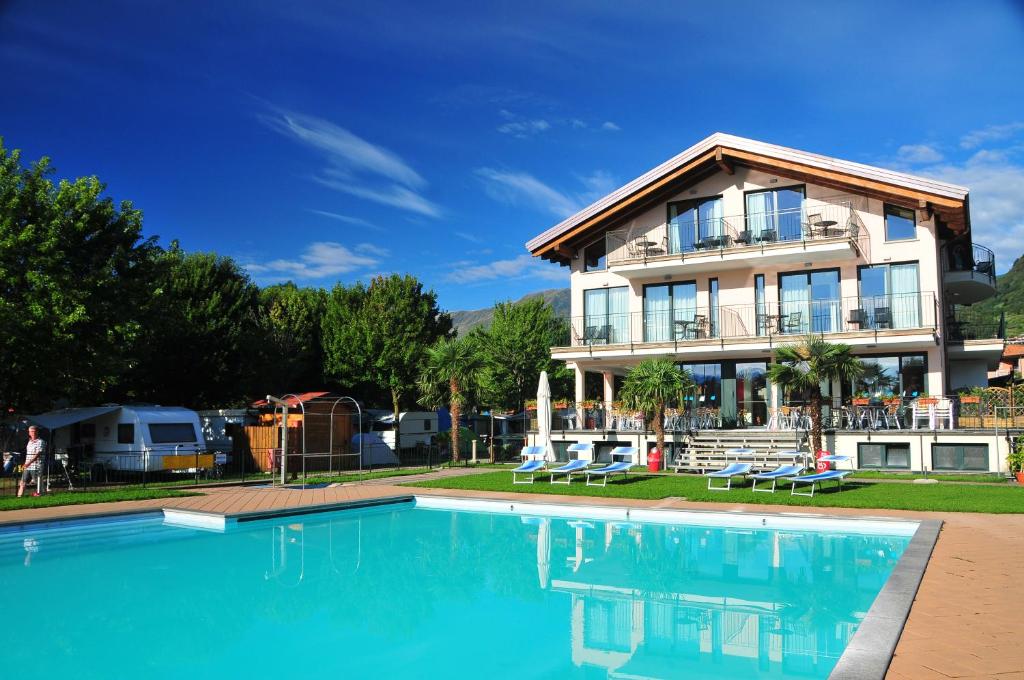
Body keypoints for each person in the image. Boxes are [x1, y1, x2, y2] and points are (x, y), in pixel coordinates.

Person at [17, 425, 45, 498]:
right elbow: (28, 455)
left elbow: (37, 454)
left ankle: (42, 495)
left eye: (34, 431)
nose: (33, 433)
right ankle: (19, 498)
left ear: (37, 432)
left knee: (38, 483)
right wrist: (25, 463)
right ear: (29, 433)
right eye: (31, 431)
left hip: (36, 466)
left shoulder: (40, 441)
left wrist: (28, 463)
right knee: (22, 483)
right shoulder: (29, 442)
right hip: (27, 466)